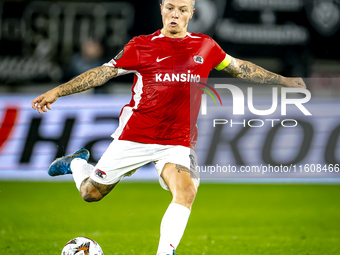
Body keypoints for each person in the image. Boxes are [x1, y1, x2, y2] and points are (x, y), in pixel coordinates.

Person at [31, 0, 307, 254]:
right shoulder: (141, 45)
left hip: (177, 141)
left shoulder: (206, 46)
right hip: (137, 135)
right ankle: (78, 163)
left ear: (192, 13)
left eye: (183, 9)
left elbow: (240, 68)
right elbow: (101, 73)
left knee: (186, 190)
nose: (176, 14)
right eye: (171, 7)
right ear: (161, 8)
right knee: (90, 194)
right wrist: (59, 91)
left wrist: (283, 80)